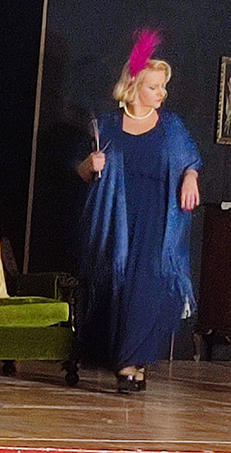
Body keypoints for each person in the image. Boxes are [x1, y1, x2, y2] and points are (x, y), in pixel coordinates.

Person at [77, 30, 200, 394]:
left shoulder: (171, 126)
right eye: (154, 87)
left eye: (163, 87)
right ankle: (127, 363)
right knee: (119, 286)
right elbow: (84, 172)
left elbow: (191, 161)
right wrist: (89, 164)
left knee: (148, 288)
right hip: (117, 218)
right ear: (134, 87)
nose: (161, 93)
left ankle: (132, 363)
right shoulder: (107, 125)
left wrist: (190, 177)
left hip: (158, 219)